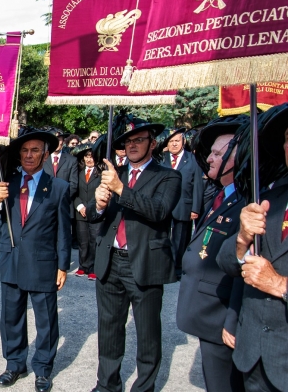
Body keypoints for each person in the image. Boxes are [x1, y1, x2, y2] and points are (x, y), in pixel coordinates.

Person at [87, 115, 181, 392]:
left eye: (139, 140)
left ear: (152, 143)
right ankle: (107, 384)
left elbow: (159, 211)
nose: (132, 145)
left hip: (145, 263)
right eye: (127, 142)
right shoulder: (116, 174)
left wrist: (120, 189)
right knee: (109, 329)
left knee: (148, 333)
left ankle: (144, 387)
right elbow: (93, 216)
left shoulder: (168, 176)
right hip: (110, 261)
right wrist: (100, 205)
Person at [0, 129, 71, 392]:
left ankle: (43, 369)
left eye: (35, 150)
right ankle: (14, 364)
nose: (29, 155)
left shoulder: (58, 188)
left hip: (43, 263)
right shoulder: (4, 183)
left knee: (46, 320)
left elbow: (63, 231)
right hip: (11, 261)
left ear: (46, 155)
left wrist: (63, 265)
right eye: (24, 150)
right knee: (10, 318)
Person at [217, 104, 288, 392]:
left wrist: (281, 285)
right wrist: (242, 239)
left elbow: (272, 280)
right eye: (286, 137)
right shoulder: (269, 196)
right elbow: (227, 263)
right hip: (253, 355)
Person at [176, 117, 247, 392]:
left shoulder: (245, 201)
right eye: (211, 152)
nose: (211, 158)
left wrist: (232, 320)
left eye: (218, 153)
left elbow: (244, 266)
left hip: (221, 317)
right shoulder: (222, 195)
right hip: (208, 316)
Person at [161, 128, 204, 279]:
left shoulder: (192, 159)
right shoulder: (162, 159)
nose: (174, 144)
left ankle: (177, 268)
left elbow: (198, 185)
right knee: (164, 236)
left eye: (177, 141)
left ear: (183, 142)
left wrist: (195, 208)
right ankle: (165, 266)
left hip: (183, 206)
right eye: (171, 141)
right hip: (164, 206)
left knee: (180, 239)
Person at [72, 144, 101, 281]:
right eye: (87, 156)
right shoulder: (78, 172)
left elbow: (101, 193)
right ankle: (83, 266)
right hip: (80, 212)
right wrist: (80, 206)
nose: (89, 159)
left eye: (92, 156)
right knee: (83, 241)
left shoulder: (100, 173)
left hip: (95, 211)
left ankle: (93, 268)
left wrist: (90, 207)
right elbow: (74, 192)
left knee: (94, 240)